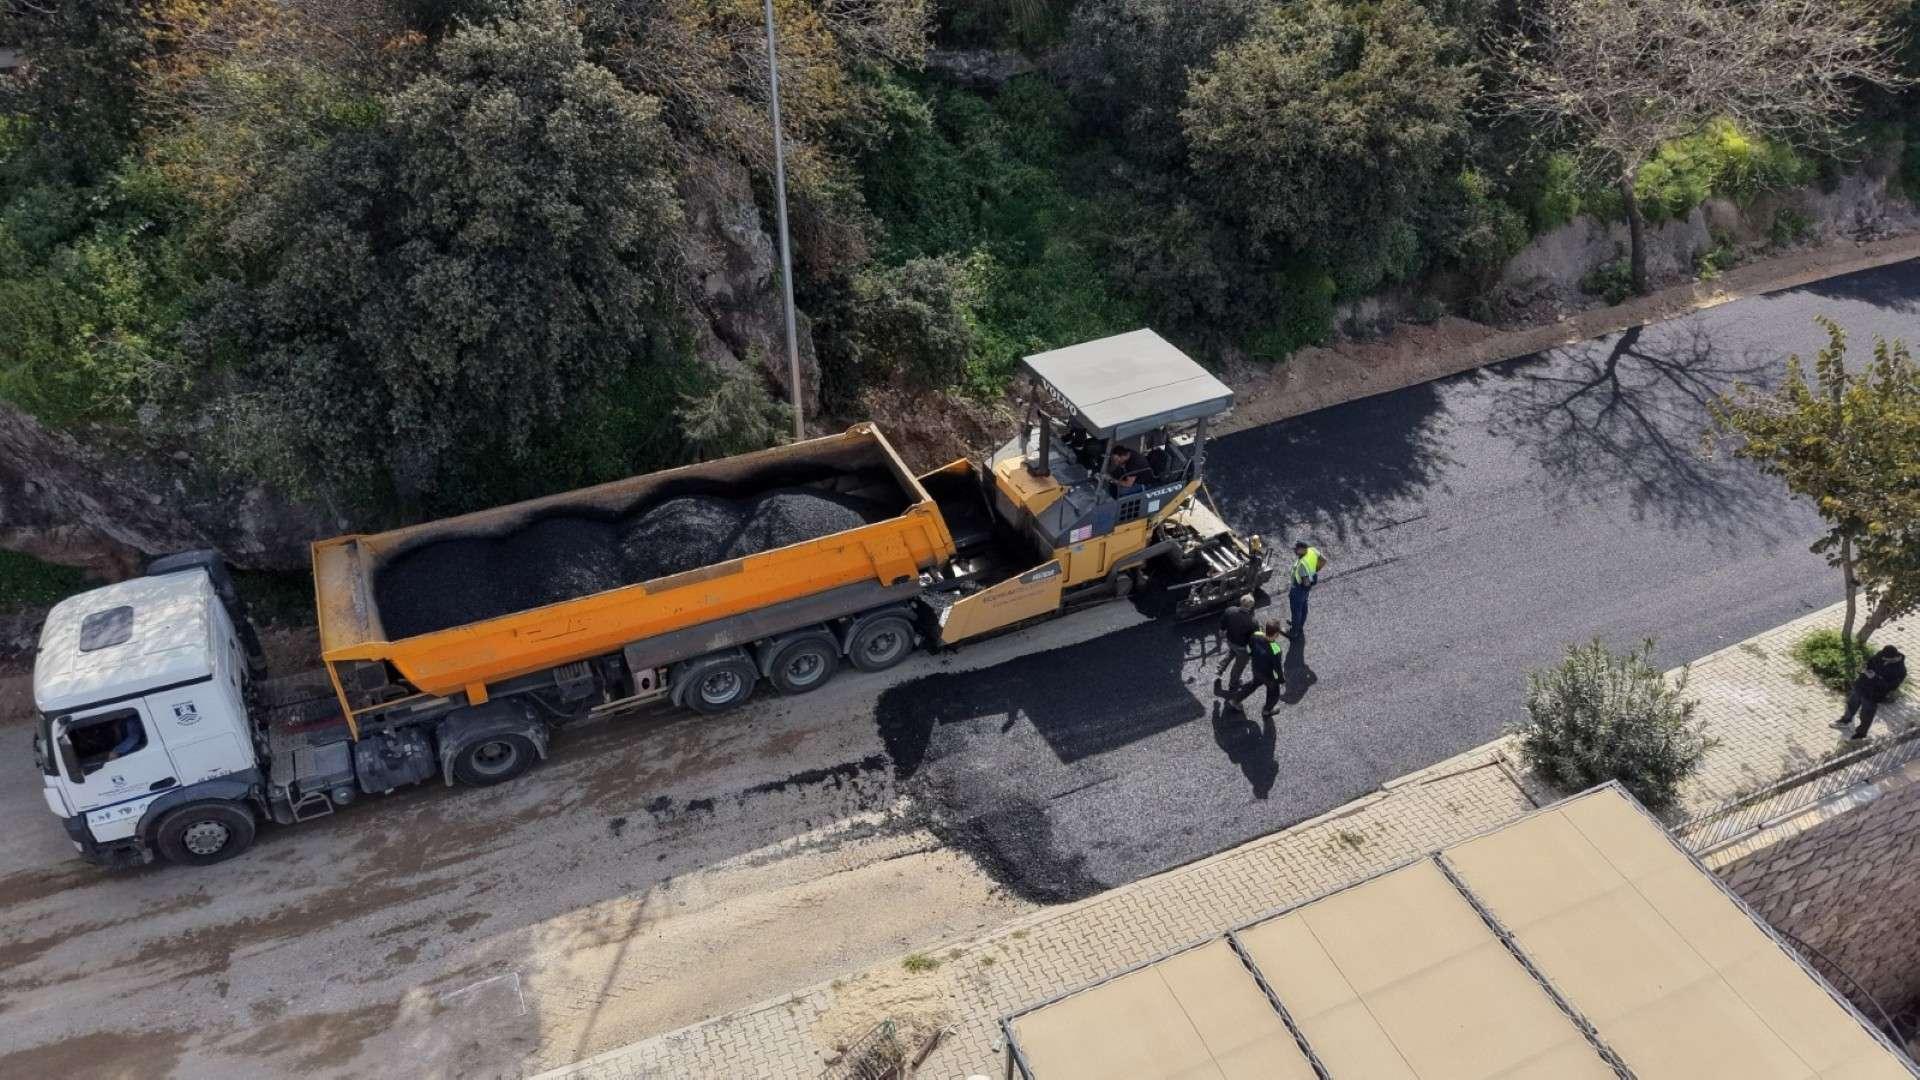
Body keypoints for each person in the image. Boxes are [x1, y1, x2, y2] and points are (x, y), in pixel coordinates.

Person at [1830, 645, 1907, 741]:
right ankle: (1845, 721)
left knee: (1866, 715)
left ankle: (1860, 734)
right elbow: (1870, 662)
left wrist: (1875, 678)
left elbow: (1890, 687)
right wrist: (1864, 667)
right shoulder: (1881, 655)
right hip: (1861, 686)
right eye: (1882, 656)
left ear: (1893, 657)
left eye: (1885, 658)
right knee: (1851, 704)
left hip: (1873, 695)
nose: (1882, 658)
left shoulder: (1900, 671)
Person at [1226, 621, 1285, 716]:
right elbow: (1277, 667)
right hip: (1268, 675)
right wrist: (1281, 679)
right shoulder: (1276, 649)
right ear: (1276, 634)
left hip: (1256, 668)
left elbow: (1250, 647)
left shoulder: (1256, 635)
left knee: (1253, 684)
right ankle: (1267, 710)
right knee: (1274, 693)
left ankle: (1235, 700)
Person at [1215, 595, 1258, 694]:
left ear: (1240, 602)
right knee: (1239, 665)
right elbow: (1254, 639)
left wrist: (1221, 632)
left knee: (1232, 651)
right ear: (1251, 606)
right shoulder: (1252, 622)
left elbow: (1222, 625)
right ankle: (1234, 683)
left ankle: (1220, 668)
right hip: (1242, 646)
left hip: (1230, 640)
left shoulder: (1230, 610)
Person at [1286, 540, 1325, 636]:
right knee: (1303, 606)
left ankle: (1294, 631)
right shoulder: (1313, 550)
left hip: (1299, 589)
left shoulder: (1303, 565)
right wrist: (1315, 570)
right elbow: (1324, 560)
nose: (1295, 551)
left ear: (1302, 549)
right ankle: (1299, 625)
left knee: (1296, 610)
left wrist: (1302, 588)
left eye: (1296, 549)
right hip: (1305, 588)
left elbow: (1306, 583)